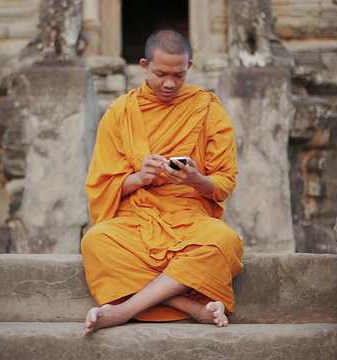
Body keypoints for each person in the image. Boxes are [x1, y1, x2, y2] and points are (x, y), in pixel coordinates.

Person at [81, 28, 244, 337]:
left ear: (189, 68)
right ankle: (192, 307)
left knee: (226, 242)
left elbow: (224, 182)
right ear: (143, 66)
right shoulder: (120, 113)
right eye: (160, 74)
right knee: (95, 241)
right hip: (136, 219)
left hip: (190, 218)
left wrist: (196, 179)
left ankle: (124, 310)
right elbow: (101, 186)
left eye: (178, 75)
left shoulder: (207, 109)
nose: (169, 83)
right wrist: (140, 177)